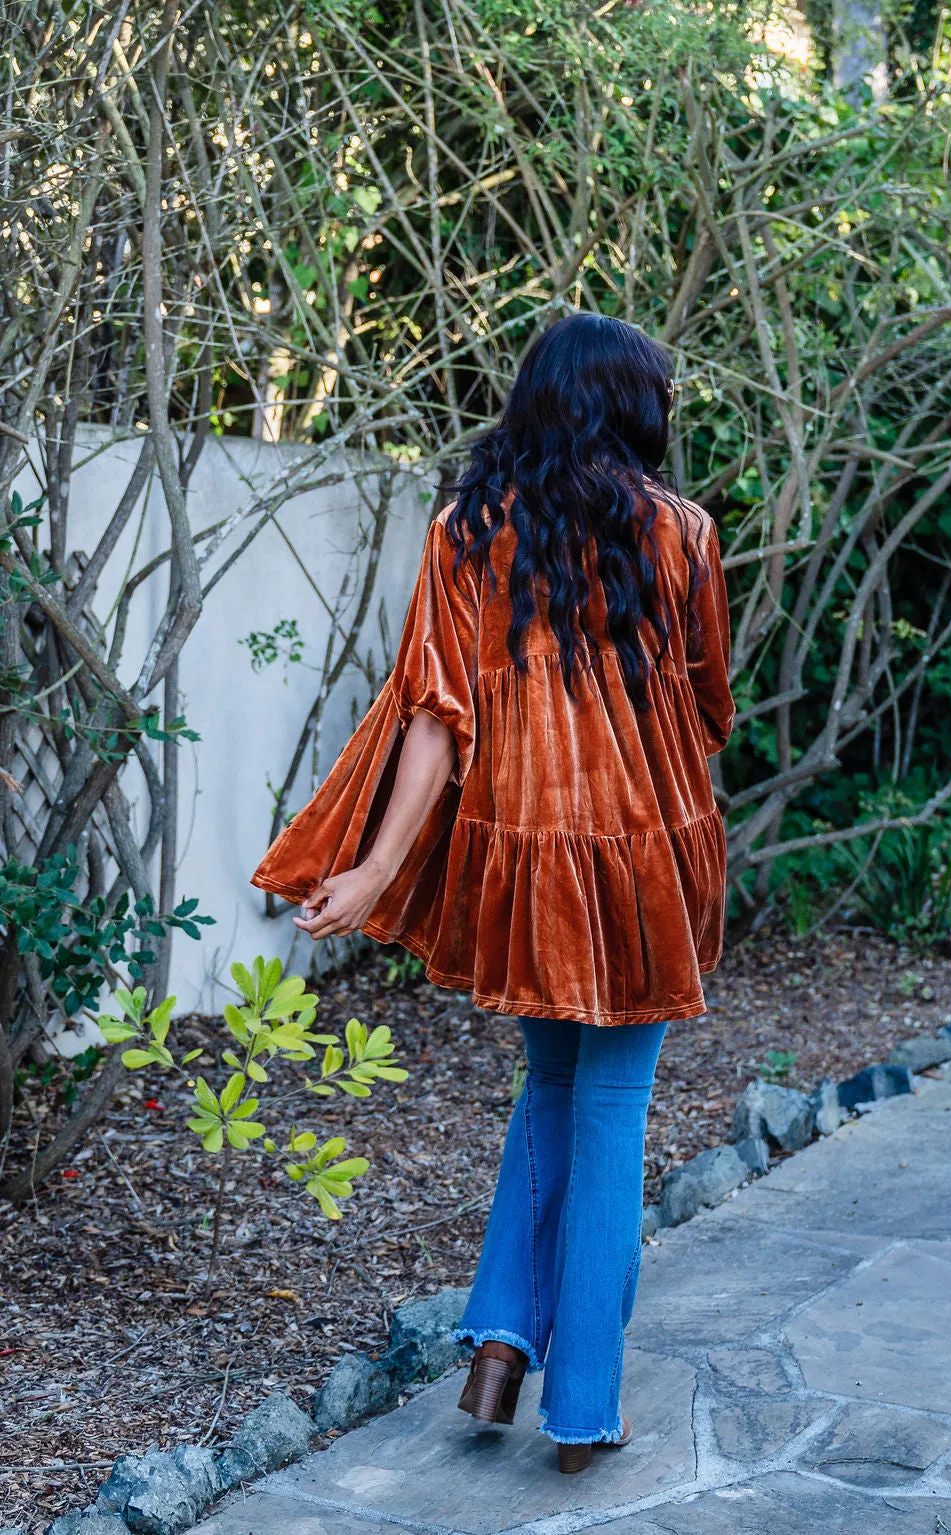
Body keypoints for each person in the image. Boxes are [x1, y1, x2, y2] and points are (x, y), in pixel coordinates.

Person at [251, 311, 734, 1474]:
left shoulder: (468, 527)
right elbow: (713, 702)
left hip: (526, 860)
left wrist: (370, 870)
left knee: (550, 1086)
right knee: (609, 1117)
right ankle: (581, 1407)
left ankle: (500, 1341)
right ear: (631, 404)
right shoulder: (683, 533)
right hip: (648, 855)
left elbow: (432, 714)